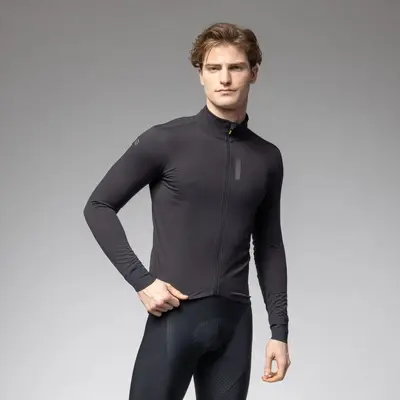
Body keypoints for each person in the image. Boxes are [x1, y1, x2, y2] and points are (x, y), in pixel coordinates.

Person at [83, 22, 291, 400]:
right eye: (214, 68)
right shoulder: (166, 141)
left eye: (236, 67)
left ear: (254, 73)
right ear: (200, 74)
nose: (224, 79)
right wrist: (142, 281)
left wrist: (279, 331)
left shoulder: (266, 157)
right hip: (175, 321)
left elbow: (270, 245)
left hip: (234, 326)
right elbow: (98, 206)